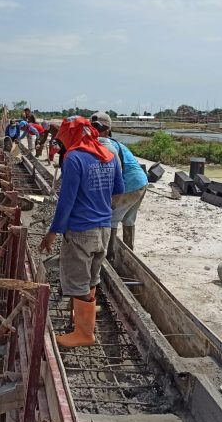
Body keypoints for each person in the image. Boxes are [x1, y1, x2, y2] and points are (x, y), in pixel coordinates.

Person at [39, 117, 124, 348]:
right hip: (104, 228)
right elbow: (119, 188)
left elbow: (66, 202)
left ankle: (84, 334)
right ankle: (81, 321)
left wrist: (52, 233)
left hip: (81, 231)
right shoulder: (109, 155)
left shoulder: (74, 158)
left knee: (78, 282)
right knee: (91, 278)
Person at [90, 111, 148, 256]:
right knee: (128, 219)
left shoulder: (108, 146)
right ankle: (129, 253)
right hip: (141, 182)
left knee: (111, 218)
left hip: (129, 184)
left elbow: (116, 174)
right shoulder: (114, 143)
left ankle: (109, 255)